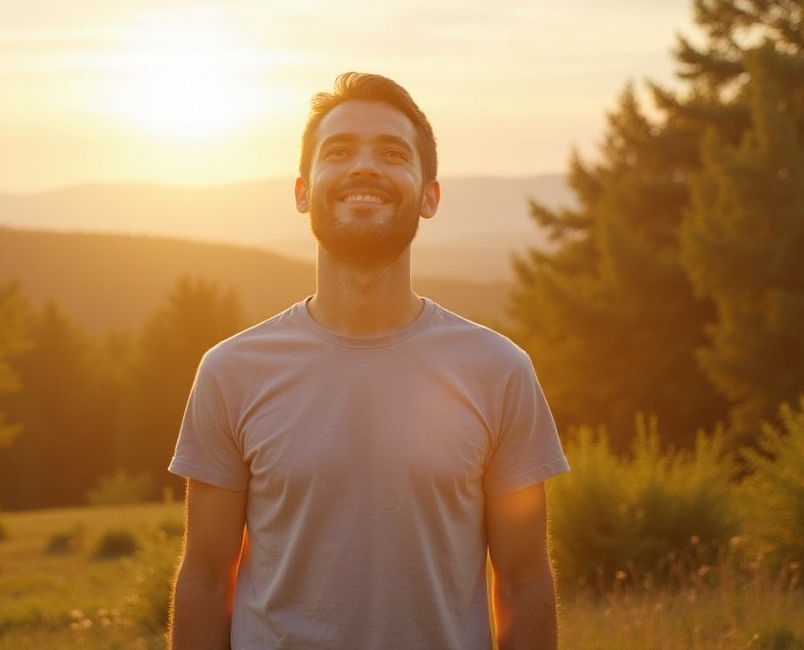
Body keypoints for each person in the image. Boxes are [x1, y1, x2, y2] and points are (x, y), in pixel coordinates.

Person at [168, 72, 570, 649]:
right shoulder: (231, 372)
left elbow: (525, 583)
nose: (363, 167)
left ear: (429, 196)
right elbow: (205, 580)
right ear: (303, 191)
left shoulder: (499, 371)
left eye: (391, 153)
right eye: (339, 152)